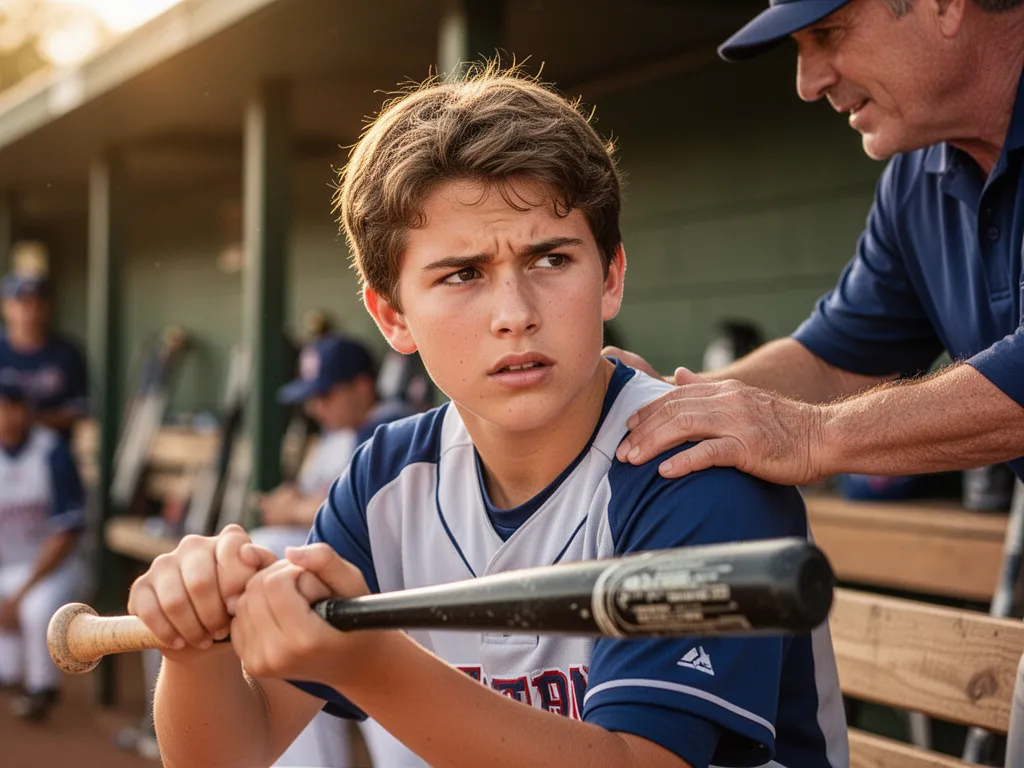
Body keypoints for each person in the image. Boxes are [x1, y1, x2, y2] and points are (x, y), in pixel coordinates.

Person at [127, 66, 847, 768]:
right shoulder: (389, 480)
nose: (515, 316)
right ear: (392, 315)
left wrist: (370, 664)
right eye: (462, 274)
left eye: (551, 259)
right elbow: (232, 751)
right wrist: (196, 647)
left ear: (612, 276)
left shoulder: (691, 466)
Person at [608, 0, 1024, 488]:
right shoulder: (917, 181)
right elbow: (834, 362)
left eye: (828, 34)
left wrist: (809, 435)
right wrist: (663, 404)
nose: (808, 84)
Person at [0, 382, 88, 722]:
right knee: (6, 673)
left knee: (38, 610)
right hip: (7, 565)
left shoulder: (53, 452)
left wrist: (18, 595)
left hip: (54, 567)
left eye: (12, 407)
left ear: (27, 411)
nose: (6, 417)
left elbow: (65, 534)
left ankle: (42, 689)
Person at [0, 273, 89, 438]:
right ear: (6, 306)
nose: (32, 310)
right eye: (23, 302)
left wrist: (27, 421)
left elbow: (80, 411)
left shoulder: (67, 353)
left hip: (55, 450)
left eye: (39, 302)